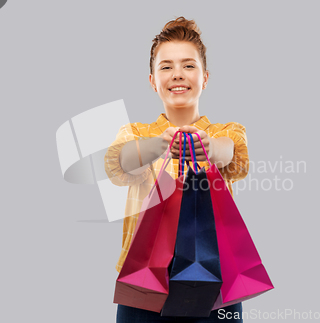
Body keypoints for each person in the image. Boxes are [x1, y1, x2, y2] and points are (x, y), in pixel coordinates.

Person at [105, 16, 249, 323]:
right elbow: (122, 161)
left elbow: (232, 153)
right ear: (152, 80)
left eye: (188, 65)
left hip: (215, 284)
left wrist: (210, 149)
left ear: (205, 77)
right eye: (166, 66)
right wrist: (157, 146)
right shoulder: (136, 133)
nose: (177, 74)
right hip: (144, 284)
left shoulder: (225, 131)